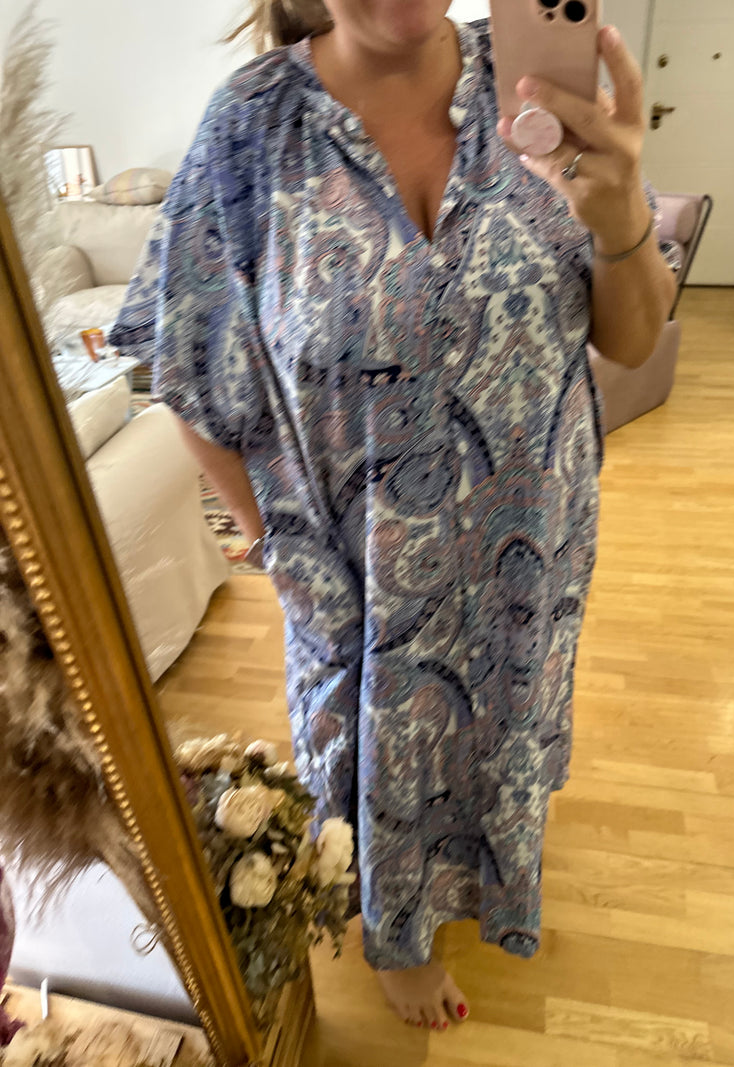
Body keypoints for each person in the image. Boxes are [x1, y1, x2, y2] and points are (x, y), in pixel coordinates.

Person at [110, 0, 677, 1034]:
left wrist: (619, 210)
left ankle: (482, 871)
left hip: (522, 555)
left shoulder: (534, 86)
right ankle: (398, 934)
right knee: (368, 752)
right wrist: (278, 548)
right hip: (356, 574)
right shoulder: (253, 127)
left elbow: (632, 342)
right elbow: (185, 373)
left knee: (502, 727)